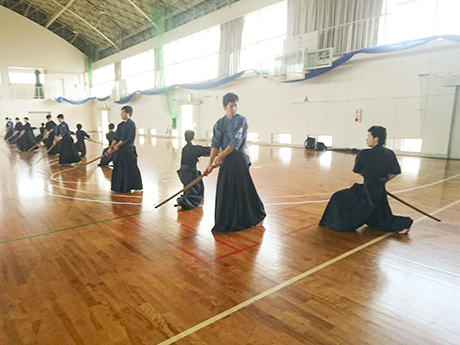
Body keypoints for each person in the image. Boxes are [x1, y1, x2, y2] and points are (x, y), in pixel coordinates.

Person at [319, 125, 413, 234]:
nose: (367, 139)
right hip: (379, 191)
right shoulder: (389, 153)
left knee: (338, 197)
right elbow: (395, 172)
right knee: (382, 217)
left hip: (367, 192)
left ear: (376, 139)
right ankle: (404, 224)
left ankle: (337, 223)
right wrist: (382, 181)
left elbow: (357, 170)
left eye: (369, 136)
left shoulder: (364, 154)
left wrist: (369, 178)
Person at [206, 92, 266, 232]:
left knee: (243, 190)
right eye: (231, 106)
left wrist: (220, 157)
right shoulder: (219, 123)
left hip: (238, 159)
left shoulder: (241, 121)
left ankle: (257, 215)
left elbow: (235, 142)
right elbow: (215, 144)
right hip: (226, 161)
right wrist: (210, 163)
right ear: (224, 107)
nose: (234, 109)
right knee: (225, 190)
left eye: (236, 106)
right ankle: (227, 221)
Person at [107, 106, 143, 193]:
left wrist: (117, 146)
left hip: (128, 149)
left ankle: (136, 186)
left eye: (123, 112)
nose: (121, 114)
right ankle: (120, 187)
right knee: (119, 168)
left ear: (128, 113)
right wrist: (111, 147)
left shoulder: (131, 124)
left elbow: (126, 138)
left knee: (131, 168)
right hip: (120, 151)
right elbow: (116, 137)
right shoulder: (121, 125)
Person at [176, 130, 211, 210]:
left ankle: (185, 201)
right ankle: (183, 203)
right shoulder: (193, 149)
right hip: (189, 174)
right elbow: (206, 150)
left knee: (197, 186)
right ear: (193, 137)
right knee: (192, 193)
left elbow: (203, 151)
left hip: (183, 172)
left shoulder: (185, 148)